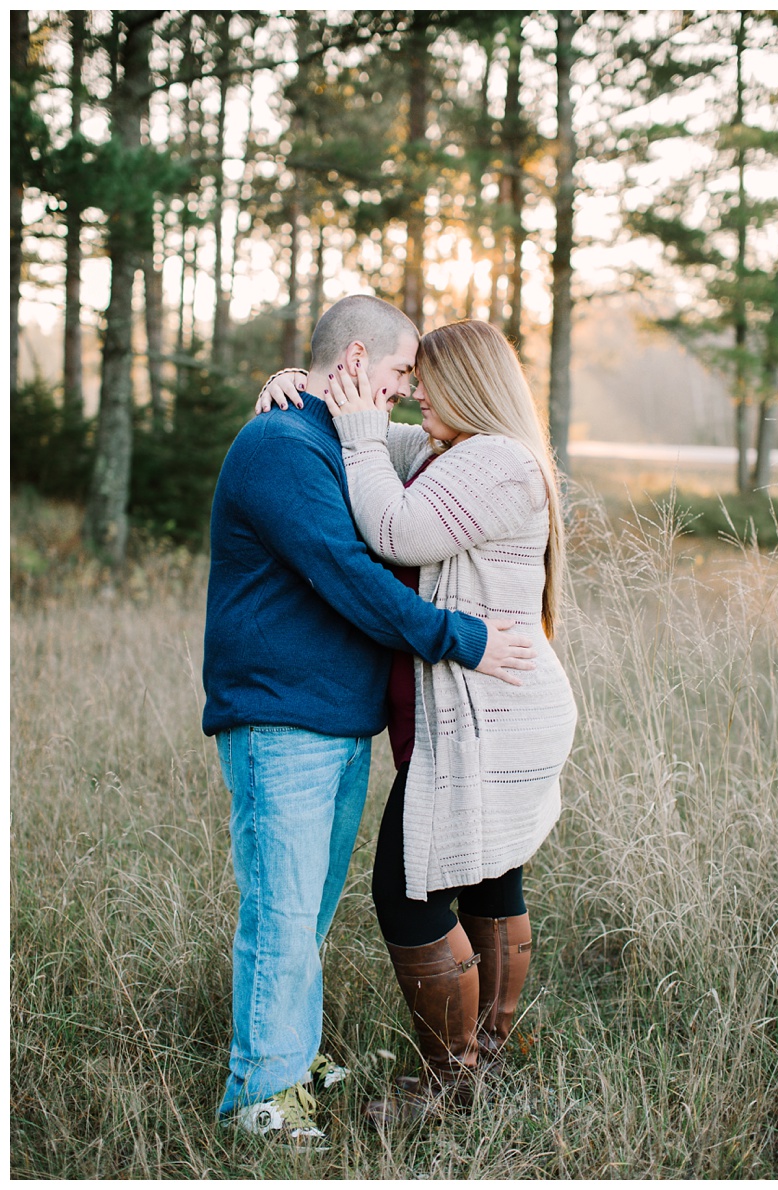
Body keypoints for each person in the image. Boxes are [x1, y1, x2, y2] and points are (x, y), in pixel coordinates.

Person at [202, 295, 535, 1145]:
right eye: (395, 373)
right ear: (354, 359)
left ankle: (291, 1059)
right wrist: (460, 638)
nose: (402, 391)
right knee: (280, 913)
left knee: (306, 909)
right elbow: (351, 572)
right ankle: (258, 1099)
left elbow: (407, 474)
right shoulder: (281, 444)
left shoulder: (328, 437)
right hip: (282, 718)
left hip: (334, 722)